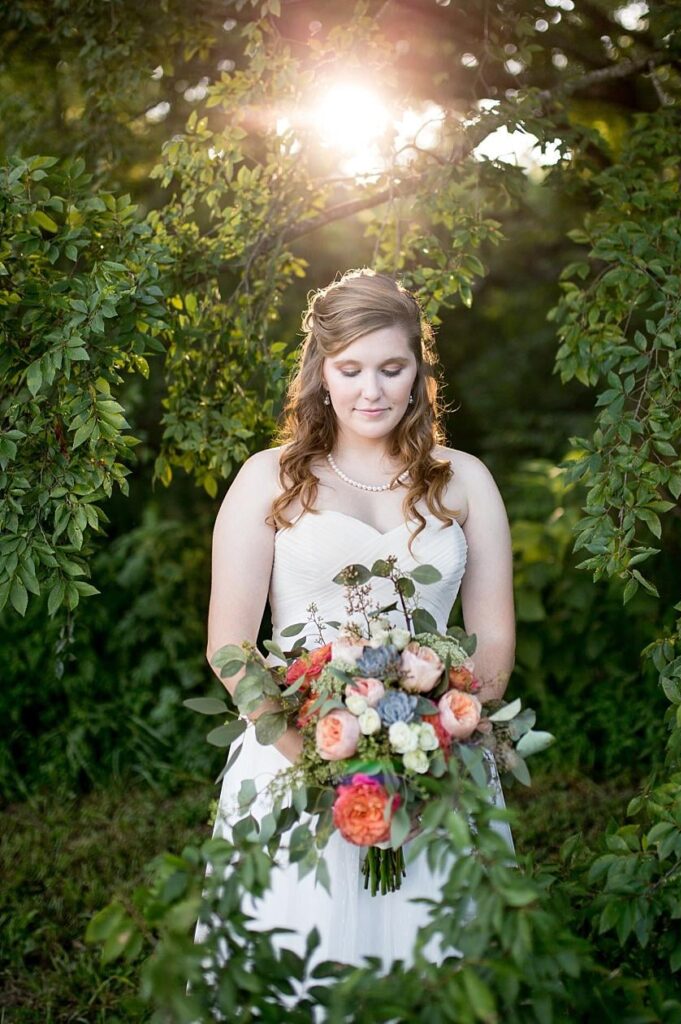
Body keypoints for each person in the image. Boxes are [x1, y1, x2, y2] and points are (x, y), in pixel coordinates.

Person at [193, 268, 516, 978]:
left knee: (439, 967)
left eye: (391, 368)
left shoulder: (464, 480)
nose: (371, 390)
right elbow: (230, 648)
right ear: (321, 371)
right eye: (351, 369)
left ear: (417, 373)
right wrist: (317, 759)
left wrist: (436, 740)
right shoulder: (268, 479)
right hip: (294, 754)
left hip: (440, 760)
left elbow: (491, 641)